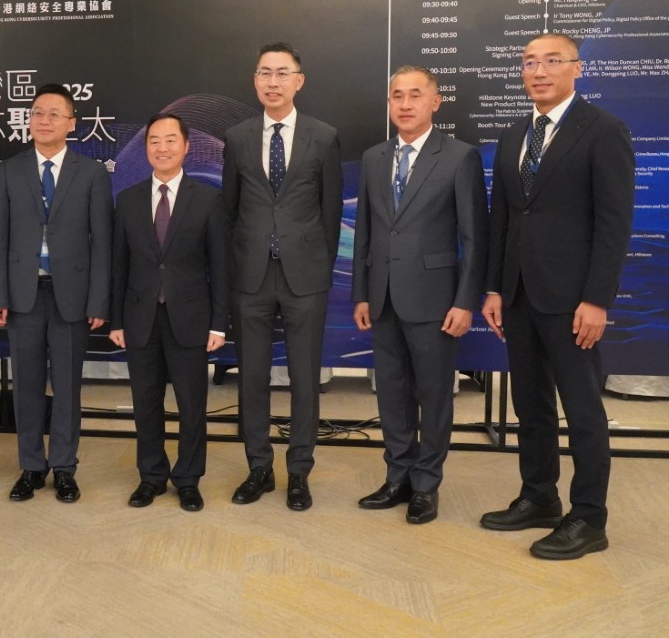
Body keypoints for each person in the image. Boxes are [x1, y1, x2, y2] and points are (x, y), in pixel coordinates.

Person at [480, 32, 635, 560]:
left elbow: (614, 222)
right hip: (519, 294)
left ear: (577, 68)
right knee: (531, 406)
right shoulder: (513, 135)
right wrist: (495, 287)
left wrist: (597, 298)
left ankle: (589, 517)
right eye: (529, 62)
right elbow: (502, 218)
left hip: (574, 301)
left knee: (583, 411)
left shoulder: (603, 130)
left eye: (551, 61)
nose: (539, 71)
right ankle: (539, 497)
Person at [351, 66, 487, 524]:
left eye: (415, 95)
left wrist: (465, 301)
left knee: (434, 394)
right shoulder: (373, 157)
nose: (405, 104)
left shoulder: (459, 157)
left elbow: (474, 237)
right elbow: (365, 231)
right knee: (391, 392)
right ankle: (398, 477)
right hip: (382, 296)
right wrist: (361, 293)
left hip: (436, 299)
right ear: (389, 103)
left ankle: (426, 484)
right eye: (397, 96)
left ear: (435, 102)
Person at [219, 42, 342, 512]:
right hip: (250, 275)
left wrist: (318, 266)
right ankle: (259, 468)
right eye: (264, 73)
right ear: (255, 80)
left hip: (304, 277)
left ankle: (299, 471)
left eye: (282, 73)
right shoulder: (237, 137)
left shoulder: (323, 136)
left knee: (304, 378)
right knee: (251, 377)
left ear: (299, 81)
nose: (273, 81)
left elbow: (331, 213)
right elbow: (229, 211)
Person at [0, 83, 112, 503]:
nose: (44, 120)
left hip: (71, 296)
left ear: (71, 123)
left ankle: (64, 467)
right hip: (23, 296)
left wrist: (98, 299)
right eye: (37, 113)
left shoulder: (91, 173)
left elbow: (103, 243)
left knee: (67, 386)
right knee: (25, 386)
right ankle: (31, 467)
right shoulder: (10, 170)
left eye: (54, 114)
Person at [108, 113, 228, 512]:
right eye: (154, 141)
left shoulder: (207, 199)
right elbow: (119, 265)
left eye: (170, 140)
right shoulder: (127, 199)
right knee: (146, 404)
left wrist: (219, 324)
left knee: (192, 405)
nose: (162, 147)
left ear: (186, 146)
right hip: (140, 318)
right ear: (146, 149)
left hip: (190, 319)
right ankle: (151, 477)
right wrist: (116, 319)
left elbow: (220, 266)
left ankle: (189, 479)